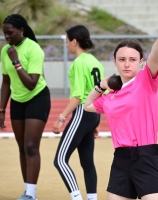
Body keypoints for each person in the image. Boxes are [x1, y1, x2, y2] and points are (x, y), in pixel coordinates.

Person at [84, 12, 158, 200]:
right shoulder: (111, 96)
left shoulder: (145, 81)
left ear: (140, 62)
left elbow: (155, 54)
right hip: (120, 159)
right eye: (122, 59)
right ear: (115, 62)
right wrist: (101, 85)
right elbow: (87, 105)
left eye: (133, 60)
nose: (127, 64)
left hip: (146, 157)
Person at [0, 14, 51, 200]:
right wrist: (2, 109)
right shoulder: (5, 50)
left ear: (21, 30)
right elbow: (6, 82)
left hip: (37, 98)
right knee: (21, 147)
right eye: (4, 33)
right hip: (17, 101)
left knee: (30, 146)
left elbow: (31, 84)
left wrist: (16, 61)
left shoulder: (34, 49)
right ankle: (27, 190)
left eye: (10, 33)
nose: (7, 37)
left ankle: (30, 194)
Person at [52, 25, 104, 200]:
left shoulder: (79, 62)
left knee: (60, 160)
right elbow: (100, 93)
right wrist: (95, 122)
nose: (66, 45)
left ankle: (76, 198)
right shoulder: (95, 62)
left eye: (67, 41)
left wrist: (61, 118)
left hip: (83, 112)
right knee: (87, 162)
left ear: (74, 41)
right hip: (93, 113)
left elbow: (77, 97)